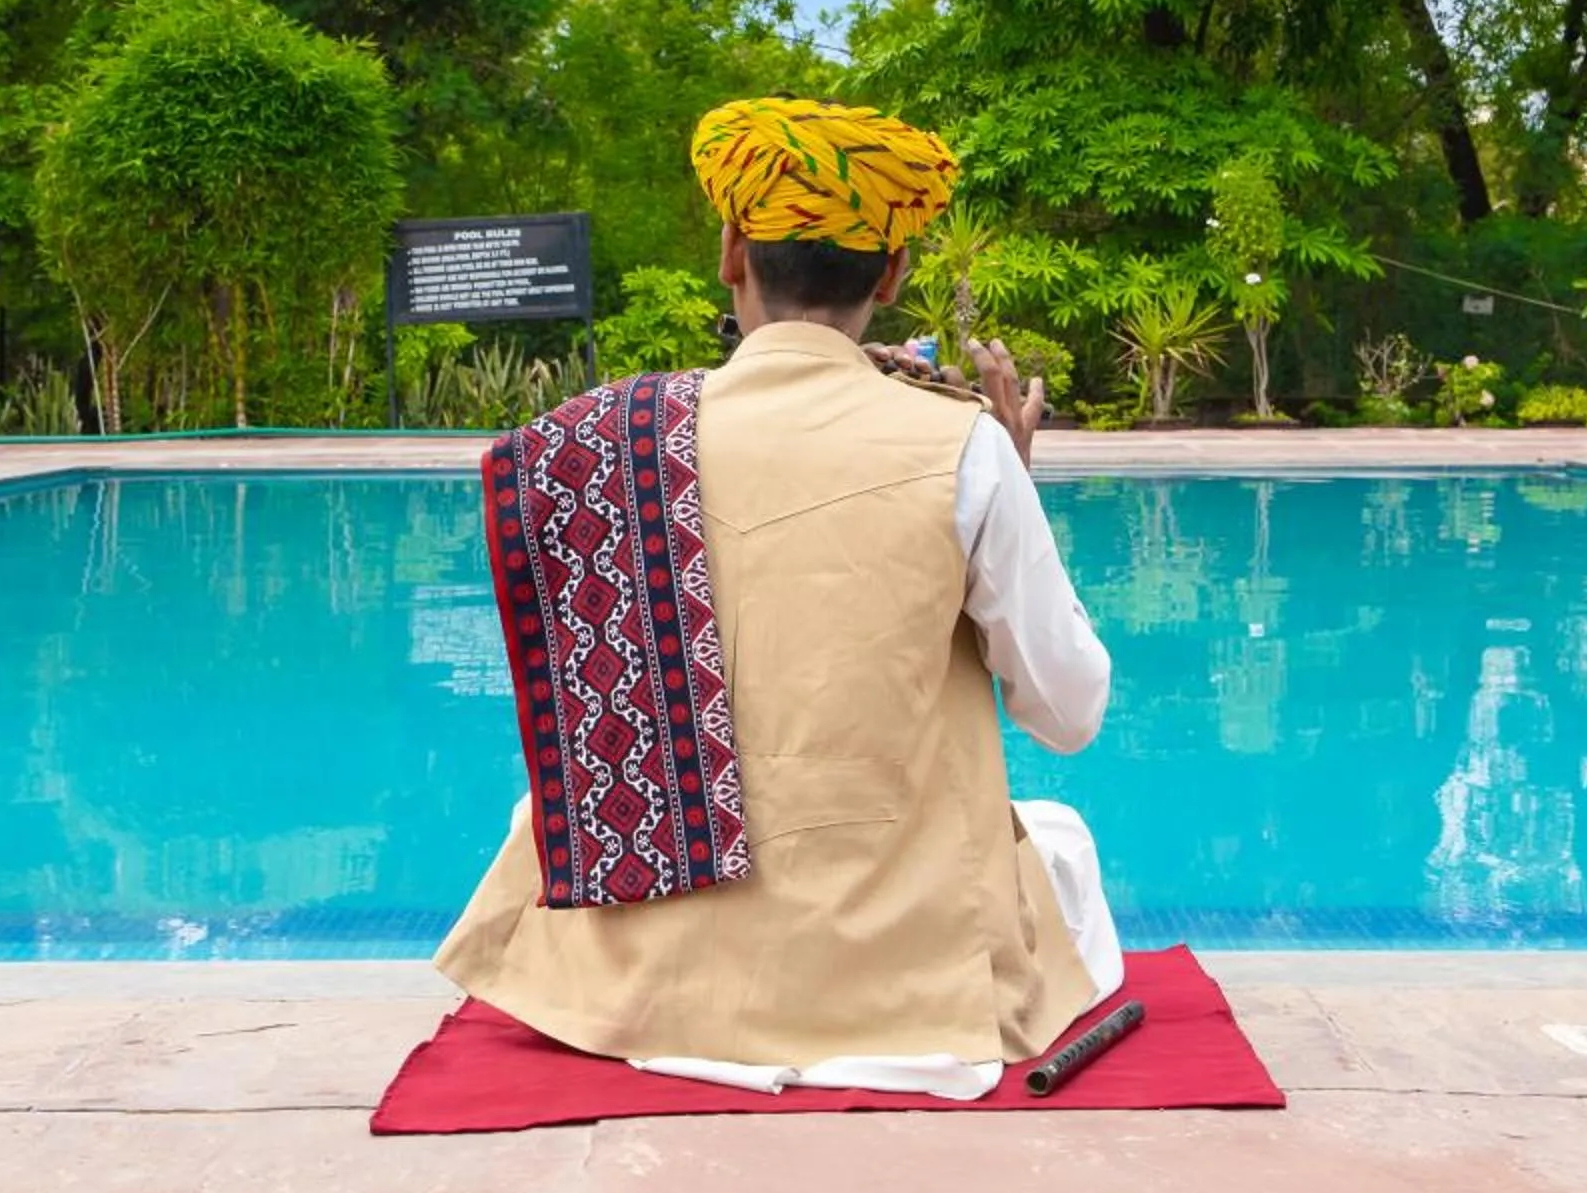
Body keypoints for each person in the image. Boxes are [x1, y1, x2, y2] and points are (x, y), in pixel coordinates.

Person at [434, 97, 1119, 1099]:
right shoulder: (962, 445)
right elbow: (1068, 713)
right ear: (891, 273)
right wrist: (1006, 491)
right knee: (1062, 836)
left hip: (646, 992)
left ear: (730, 253)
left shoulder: (590, 444)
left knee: (530, 815)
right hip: (906, 985)